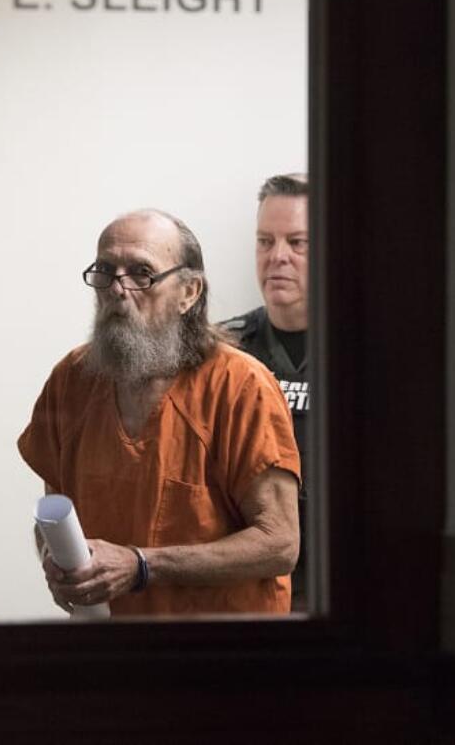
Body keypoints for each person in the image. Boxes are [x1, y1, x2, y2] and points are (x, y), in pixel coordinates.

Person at [18, 209, 301, 616]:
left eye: (141, 273)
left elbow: (279, 544)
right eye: (105, 270)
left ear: (189, 292)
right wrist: (56, 561)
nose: (118, 288)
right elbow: (55, 512)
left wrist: (142, 566)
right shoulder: (71, 380)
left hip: (226, 657)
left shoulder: (242, 387)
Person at [220, 173, 311, 605]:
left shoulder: (367, 354)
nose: (278, 257)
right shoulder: (223, 352)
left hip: (342, 594)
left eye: (299, 243)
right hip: (247, 595)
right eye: (264, 241)